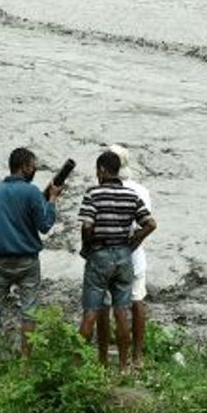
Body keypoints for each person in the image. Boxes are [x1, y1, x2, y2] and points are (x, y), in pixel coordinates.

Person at [0, 146, 62, 377]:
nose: (35, 169)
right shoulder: (32, 192)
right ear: (24, 166)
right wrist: (51, 199)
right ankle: (24, 366)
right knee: (29, 312)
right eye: (33, 165)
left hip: (0, 262)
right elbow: (44, 225)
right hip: (28, 262)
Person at [78, 149, 156, 369]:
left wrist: (87, 247)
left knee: (91, 312)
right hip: (124, 257)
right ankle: (124, 367)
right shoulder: (132, 196)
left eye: (97, 170)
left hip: (100, 255)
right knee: (122, 312)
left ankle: (74, 365)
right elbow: (150, 224)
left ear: (102, 170)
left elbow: (87, 225)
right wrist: (131, 242)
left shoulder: (93, 194)